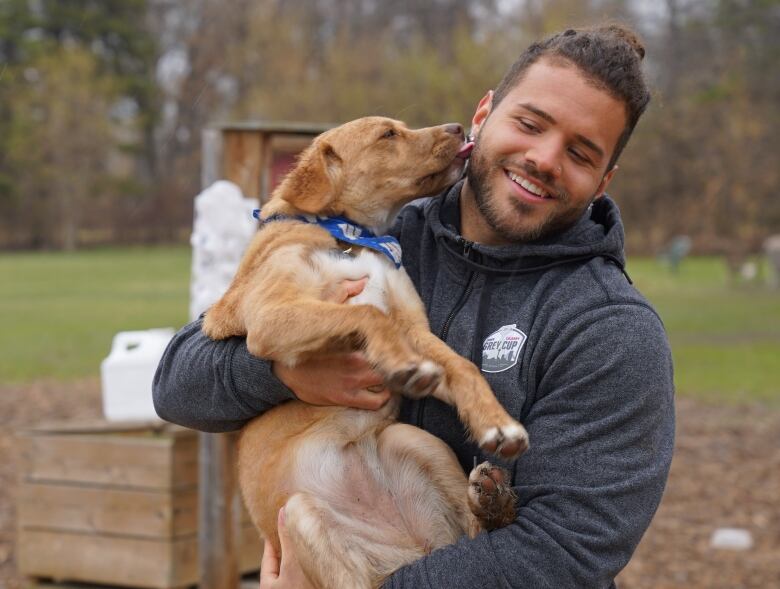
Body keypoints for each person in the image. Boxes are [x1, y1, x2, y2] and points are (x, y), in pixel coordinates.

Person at [153, 23, 675, 589]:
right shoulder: (374, 235)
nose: (544, 158)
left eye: (580, 152)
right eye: (530, 124)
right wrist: (284, 372)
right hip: (346, 526)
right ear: (483, 113)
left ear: (604, 181)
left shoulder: (612, 330)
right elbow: (176, 385)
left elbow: (562, 553)